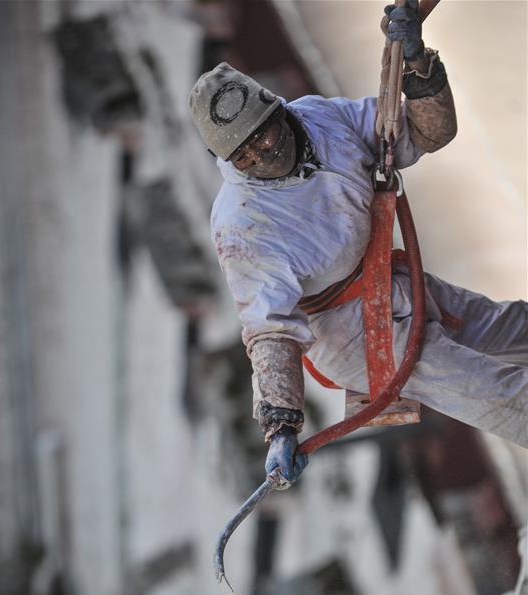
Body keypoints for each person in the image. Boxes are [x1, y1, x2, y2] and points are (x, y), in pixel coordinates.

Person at [189, 1, 528, 486]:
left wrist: (418, 64)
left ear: (276, 110)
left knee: (513, 327)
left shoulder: (319, 120)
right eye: (244, 155)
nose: (263, 153)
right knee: (496, 391)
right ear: (227, 160)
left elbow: (424, 132)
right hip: (350, 336)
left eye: (264, 135)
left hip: (387, 282)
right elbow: (269, 330)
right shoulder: (243, 224)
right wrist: (281, 423)